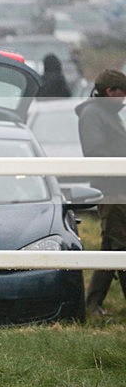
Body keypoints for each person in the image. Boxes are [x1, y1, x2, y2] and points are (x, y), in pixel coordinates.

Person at [76, 69, 126, 317]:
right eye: (122, 93)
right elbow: (96, 152)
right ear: (110, 92)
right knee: (120, 247)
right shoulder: (94, 114)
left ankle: (93, 304)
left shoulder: (104, 113)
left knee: (111, 246)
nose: (124, 99)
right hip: (112, 191)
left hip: (117, 189)